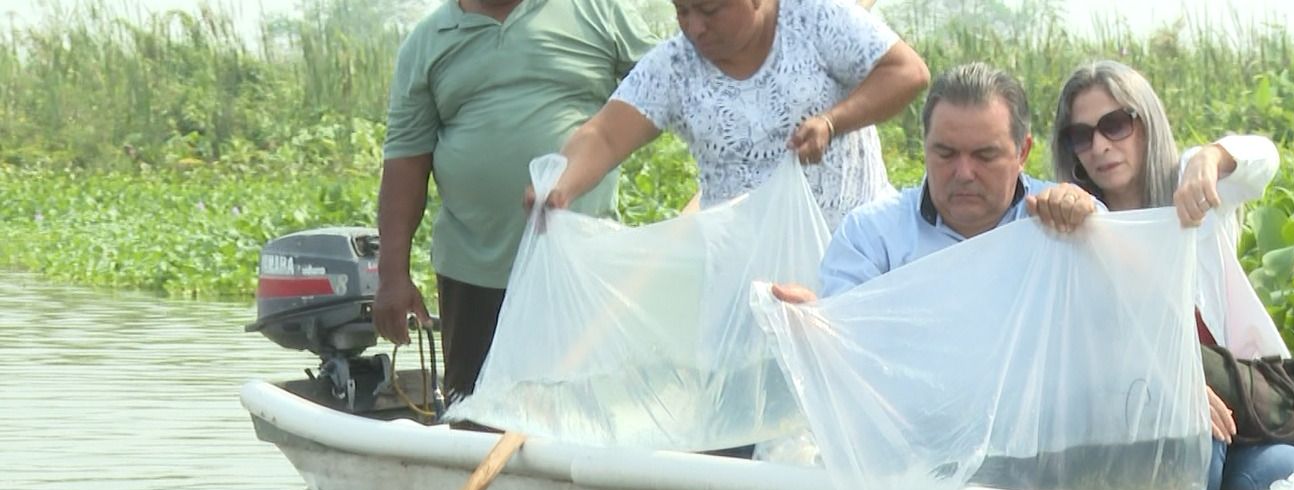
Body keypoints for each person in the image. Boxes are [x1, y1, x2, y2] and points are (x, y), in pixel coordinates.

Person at [1050, 59, 1294, 490]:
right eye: (1081, 136)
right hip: (1138, 422)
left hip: (1238, 407)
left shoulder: (1190, 192)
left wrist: (1209, 158)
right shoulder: (1078, 222)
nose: (1100, 145)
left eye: (1115, 125)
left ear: (1147, 123)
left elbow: (1264, 158)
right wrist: (1176, 393)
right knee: (1196, 447)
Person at [372, 0, 656, 404]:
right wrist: (391, 276)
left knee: (584, 410)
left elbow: (671, 84)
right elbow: (405, 161)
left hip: (580, 264)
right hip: (474, 273)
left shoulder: (597, 10)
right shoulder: (428, 41)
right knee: (478, 413)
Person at [524, 0, 931, 229]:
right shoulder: (675, 65)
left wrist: (832, 121)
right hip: (746, 271)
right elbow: (606, 134)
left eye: (709, 10)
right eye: (682, 11)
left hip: (849, 250)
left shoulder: (814, 18)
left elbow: (906, 72)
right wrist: (561, 183)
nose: (694, 28)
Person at [771, 61, 1099, 303]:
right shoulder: (872, 238)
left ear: (1022, 151)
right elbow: (846, 342)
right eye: (946, 153)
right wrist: (816, 330)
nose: (964, 173)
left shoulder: (1064, 222)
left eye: (985, 155)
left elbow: (1120, 314)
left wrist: (1093, 229)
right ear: (924, 146)